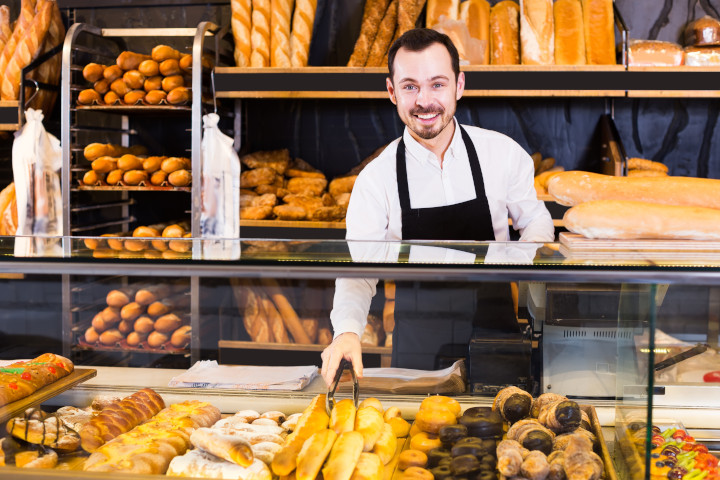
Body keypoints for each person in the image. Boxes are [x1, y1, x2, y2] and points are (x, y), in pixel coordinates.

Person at [320, 28, 554, 386]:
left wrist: (519, 260)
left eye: (437, 84)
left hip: (496, 340)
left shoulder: (501, 154)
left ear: (459, 85)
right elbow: (358, 270)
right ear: (391, 91)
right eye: (410, 86)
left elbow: (536, 220)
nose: (424, 101)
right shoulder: (376, 179)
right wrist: (347, 331)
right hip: (418, 350)